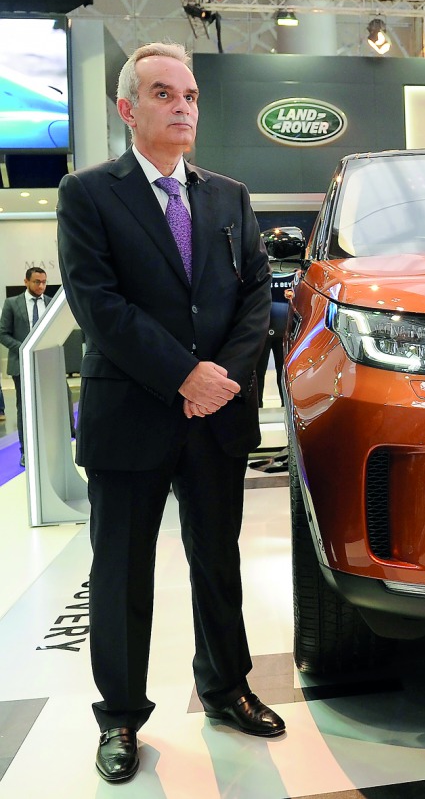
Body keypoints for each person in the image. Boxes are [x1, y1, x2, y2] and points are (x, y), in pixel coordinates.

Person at [56, 42, 280, 784]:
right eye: (163, 93)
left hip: (216, 416)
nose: (182, 105)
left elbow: (254, 296)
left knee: (217, 561)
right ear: (127, 109)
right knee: (122, 571)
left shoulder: (229, 196)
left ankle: (225, 687)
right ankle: (120, 715)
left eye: (188, 94)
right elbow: (100, 307)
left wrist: (221, 380)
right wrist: (184, 372)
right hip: (132, 416)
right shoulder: (88, 195)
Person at [0, 267, 49, 466]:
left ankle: (47, 450)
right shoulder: (12, 303)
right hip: (21, 365)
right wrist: (25, 348)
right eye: (37, 282)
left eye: (44, 282)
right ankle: (25, 451)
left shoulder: (50, 302)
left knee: (48, 408)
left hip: (47, 363)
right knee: (25, 409)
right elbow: (3, 333)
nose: (41, 286)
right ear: (26, 282)